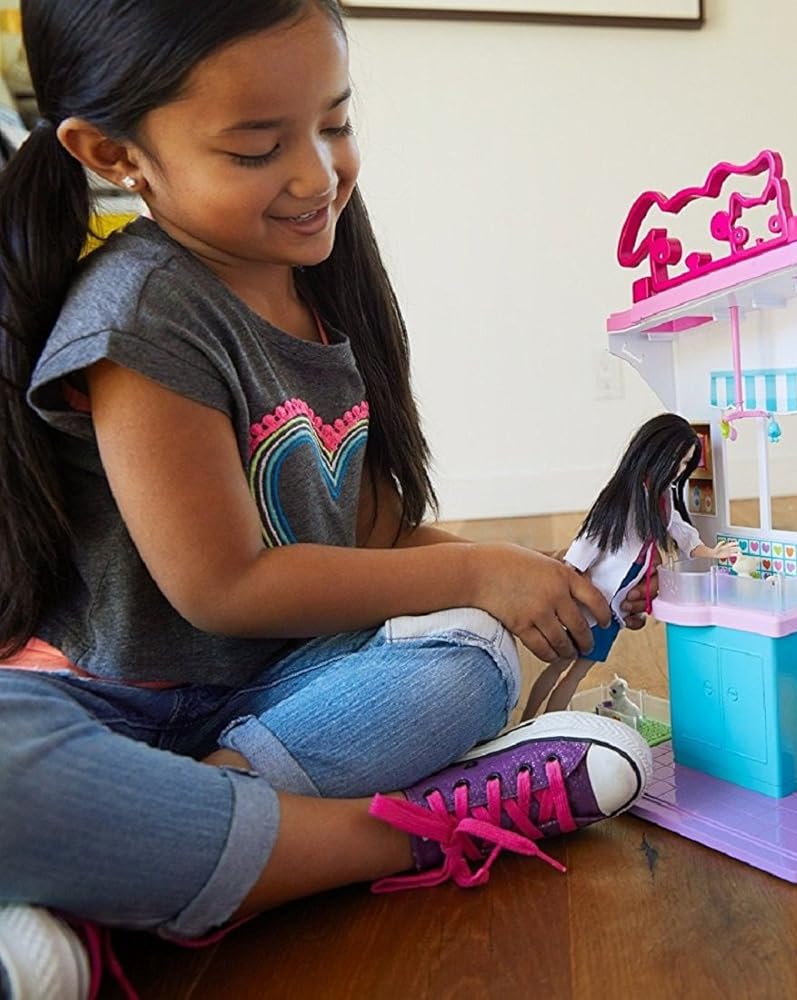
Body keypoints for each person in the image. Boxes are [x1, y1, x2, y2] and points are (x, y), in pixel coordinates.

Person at [0, 1, 653, 993]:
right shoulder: (143, 314)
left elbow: (369, 535)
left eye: (335, 122)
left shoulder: (318, 283)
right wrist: (479, 567)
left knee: (473, 649)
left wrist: (535, 578)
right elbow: (224, 588)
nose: (317, 175)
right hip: (103, 708)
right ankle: (410, 832)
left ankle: (143, 863)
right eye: (256, 149)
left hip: (263, 699)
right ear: (114, 154)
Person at [521, 413, 739, 719]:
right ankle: (529, 721)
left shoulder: (663, 498)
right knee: (559, 667)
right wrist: (566, 575)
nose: (679, 470)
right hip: (590, 599)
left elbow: (682, 532)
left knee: (576, 673)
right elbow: (588, 541)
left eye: (684, 463)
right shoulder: (625, 497)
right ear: (654, 452)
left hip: (614, 607)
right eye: (676, 460)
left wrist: (712, 552)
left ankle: (546, 727)